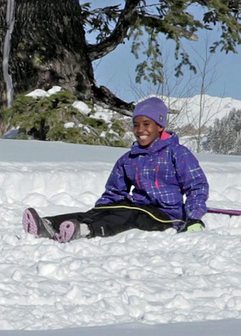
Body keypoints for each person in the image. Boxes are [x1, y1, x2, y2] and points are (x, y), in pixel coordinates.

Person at [22, 97, 209, 243]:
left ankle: (86, 230)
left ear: (160, 126)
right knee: (103, 211)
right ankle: (48, 224)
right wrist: (103, 209)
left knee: (128, 215)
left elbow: (197, 187)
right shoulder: (129, 159)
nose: (140, 129)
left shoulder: (177, 153)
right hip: (137, 207)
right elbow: (114, 191)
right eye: (136, 124)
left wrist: (193, 217)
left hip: (165, 215)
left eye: (146, 124)